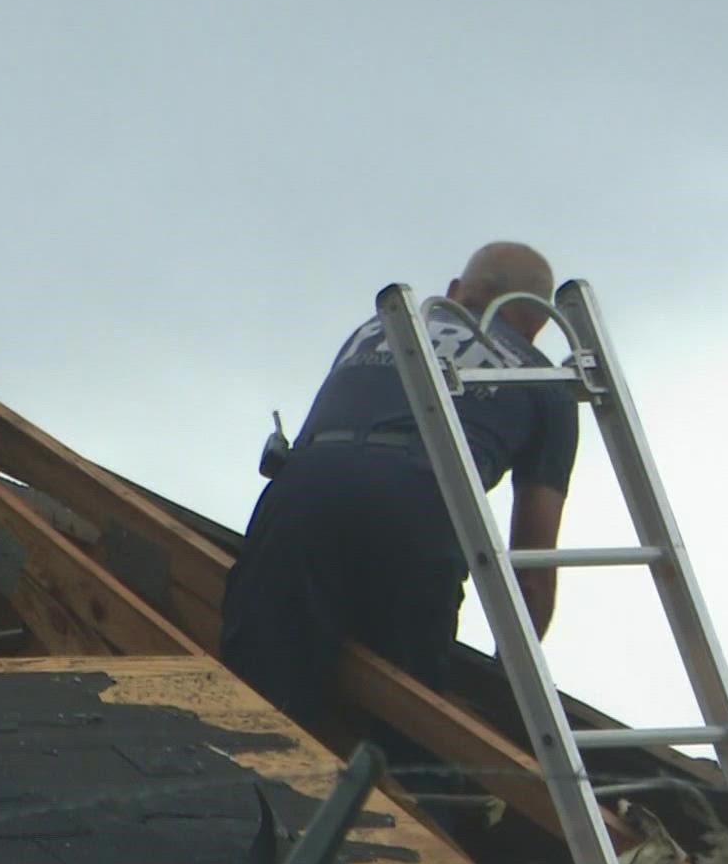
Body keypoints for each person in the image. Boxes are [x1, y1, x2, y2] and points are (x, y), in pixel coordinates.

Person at [220, 241, 580, 829]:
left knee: (261, 693)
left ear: (457, 291)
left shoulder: (375, 331)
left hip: (307, 486)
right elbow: (534, 560)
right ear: (537, 325)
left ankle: (236, 834)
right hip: (418, 506)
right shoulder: (545, 383)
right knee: (408, 726)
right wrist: (507, 679)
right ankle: (424, 860)